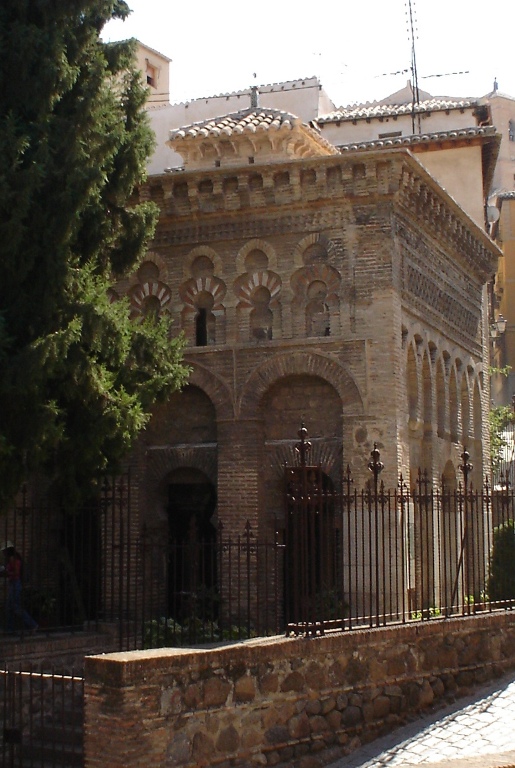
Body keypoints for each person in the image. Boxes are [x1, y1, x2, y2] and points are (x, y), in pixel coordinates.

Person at [0, 542, 38, 634]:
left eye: (4, 551)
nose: (3, 553)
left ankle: (32, 624)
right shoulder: (12, 558)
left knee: (15, 606)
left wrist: (6, 573)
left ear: (8, 550)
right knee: (9, 607)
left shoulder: (13, 558)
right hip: (13, 583)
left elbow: (16, 573)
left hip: (15, 584)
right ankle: (9, 629)